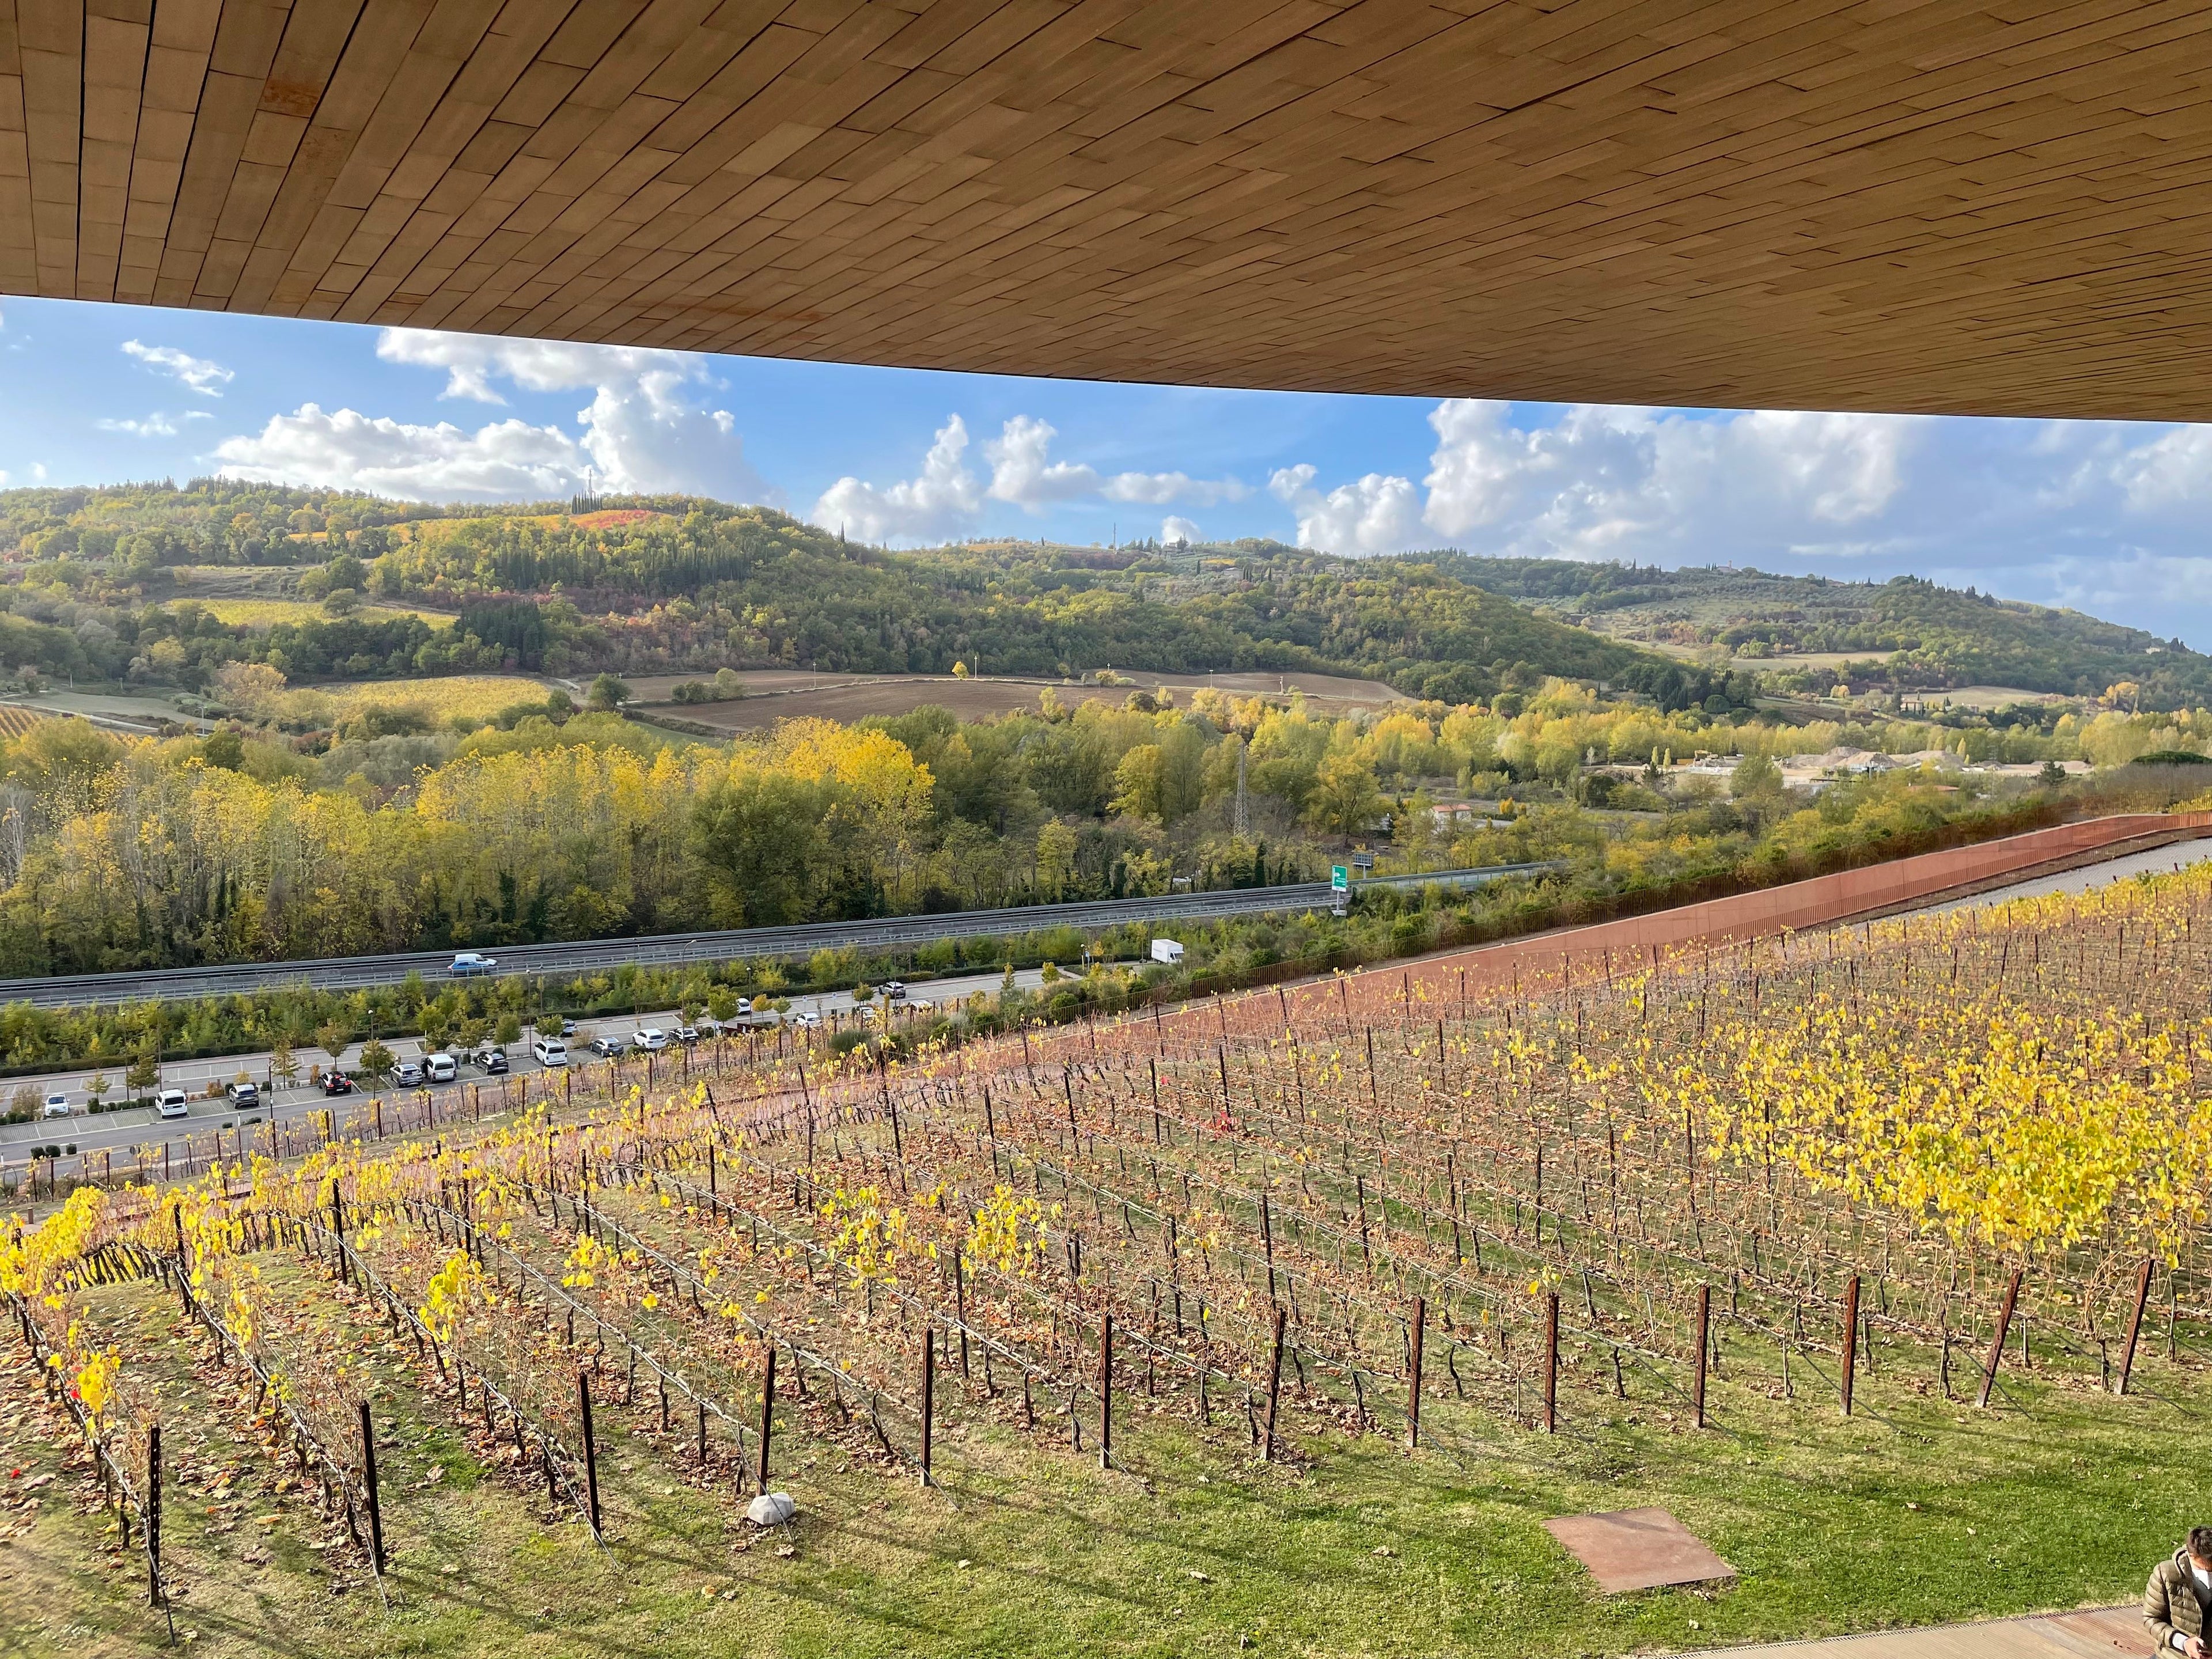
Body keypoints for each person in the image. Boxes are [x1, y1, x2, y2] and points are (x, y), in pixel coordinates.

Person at [2146, 1527, 2212, 1656]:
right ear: (2191, 1555)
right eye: (2201, 1568)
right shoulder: (2165, 1574)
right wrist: (2183, 1642)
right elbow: (2152, 1619)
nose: (2208, 1575)